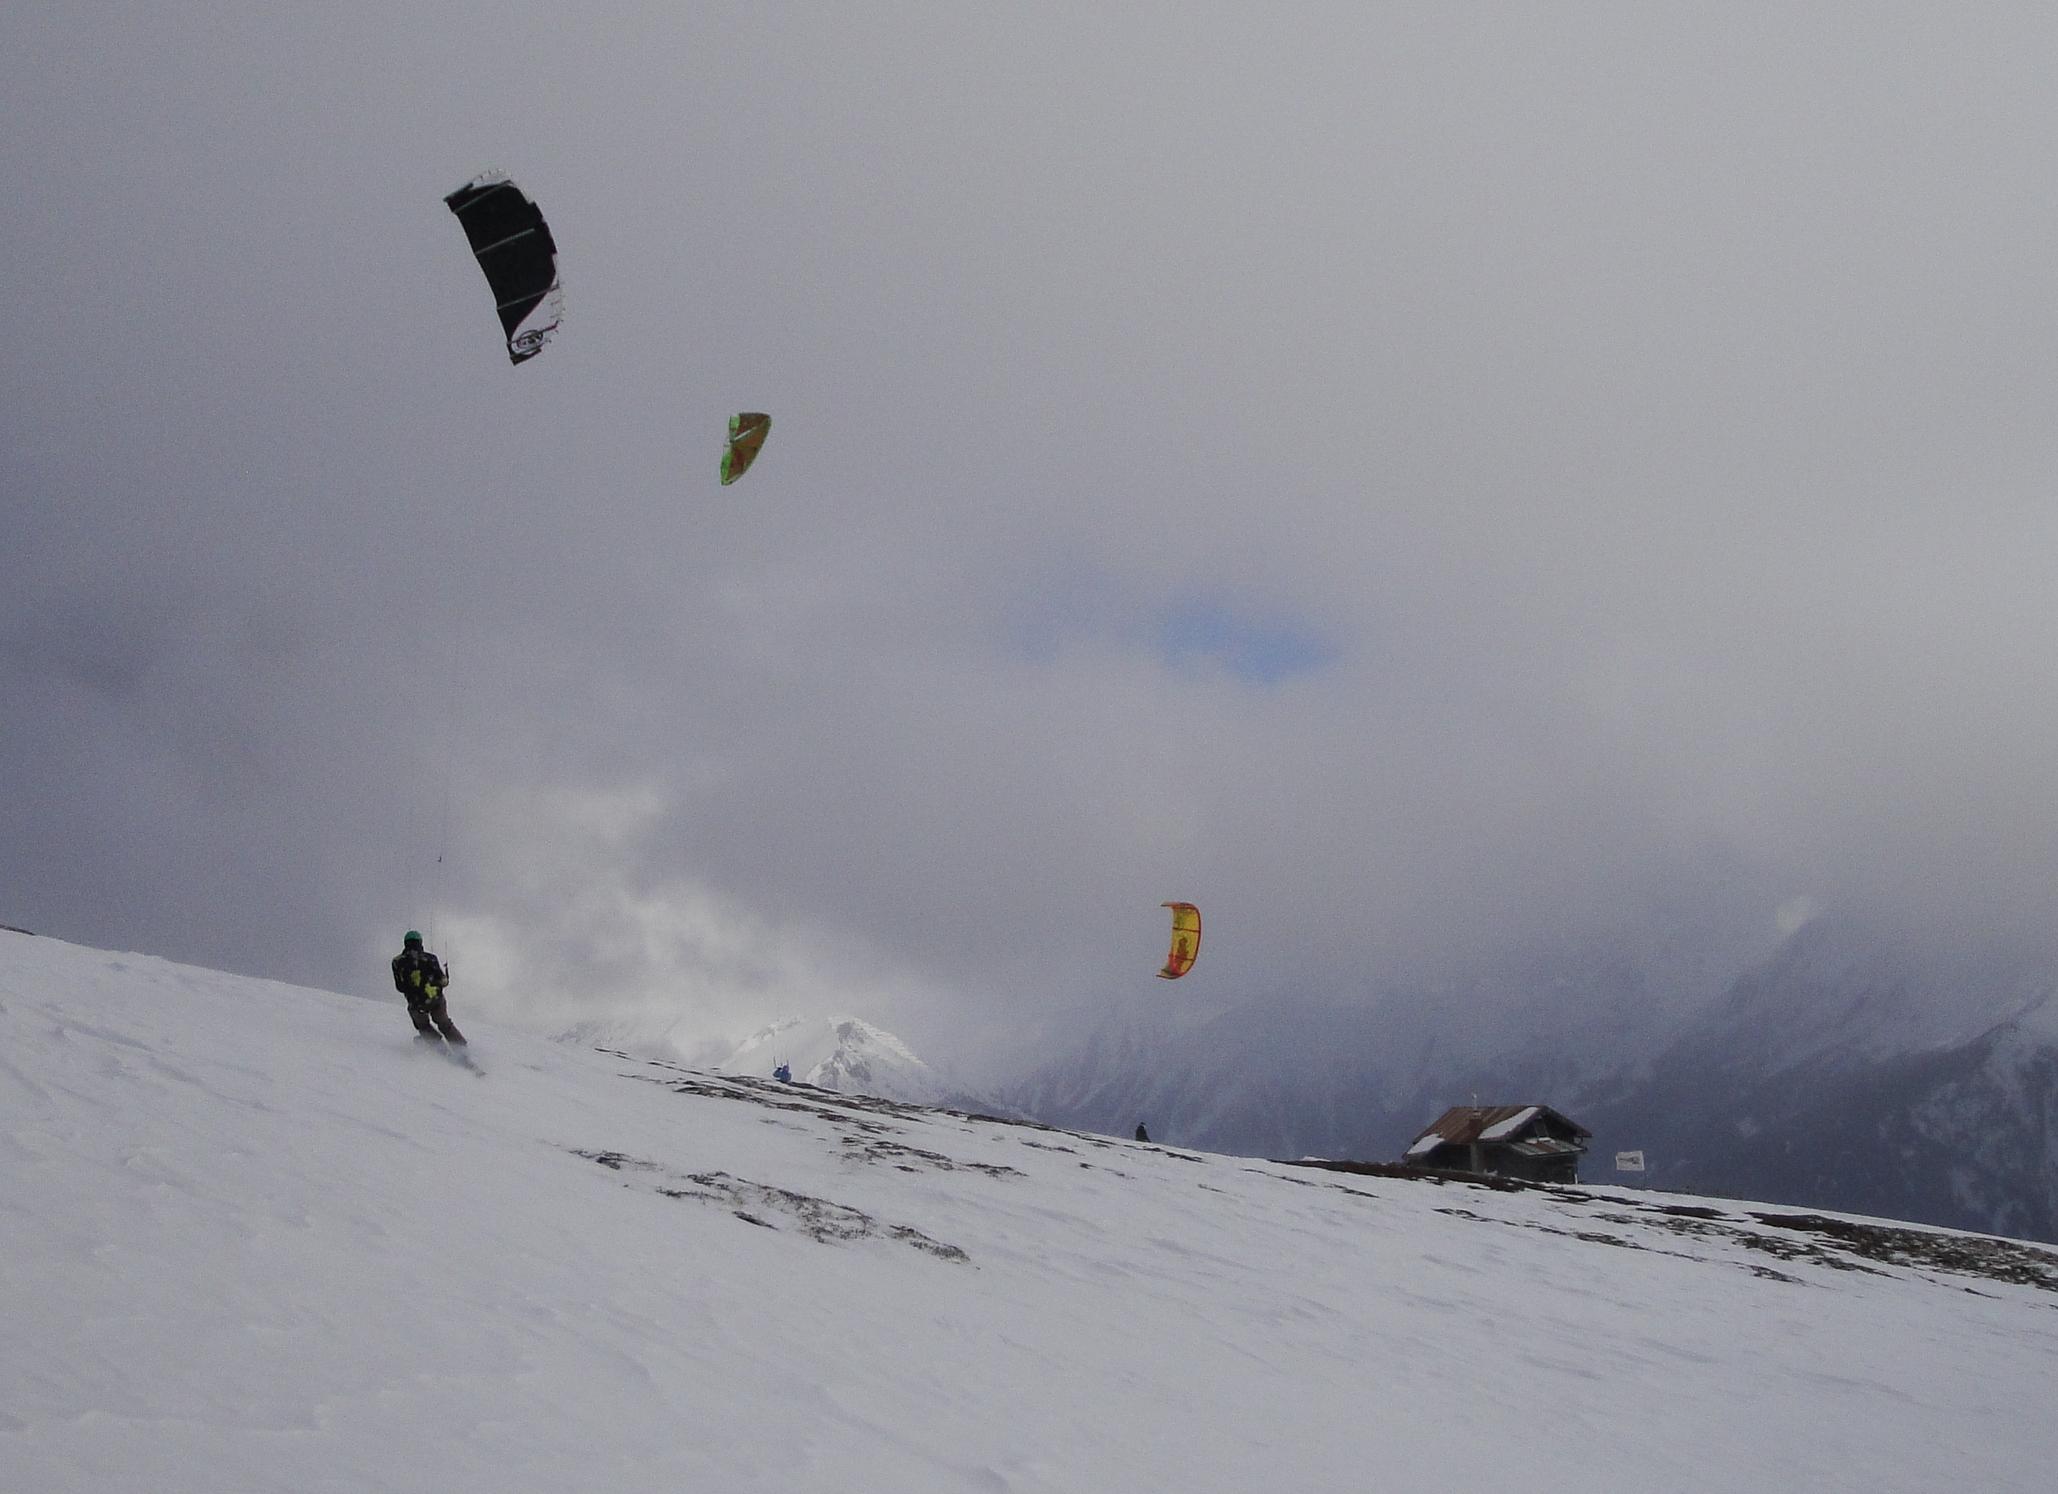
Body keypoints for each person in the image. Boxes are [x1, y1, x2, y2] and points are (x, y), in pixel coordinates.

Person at [392, 930, 465, 1044]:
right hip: (436, 999)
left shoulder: (397, 961)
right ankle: (460, 1047)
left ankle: (438, 1047)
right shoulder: (430, 958)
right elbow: (442, 981)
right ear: (420, 942)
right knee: (444, 1023)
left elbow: (400, 987)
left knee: (423, 1026)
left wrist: (414, 989)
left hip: (416, 1002)